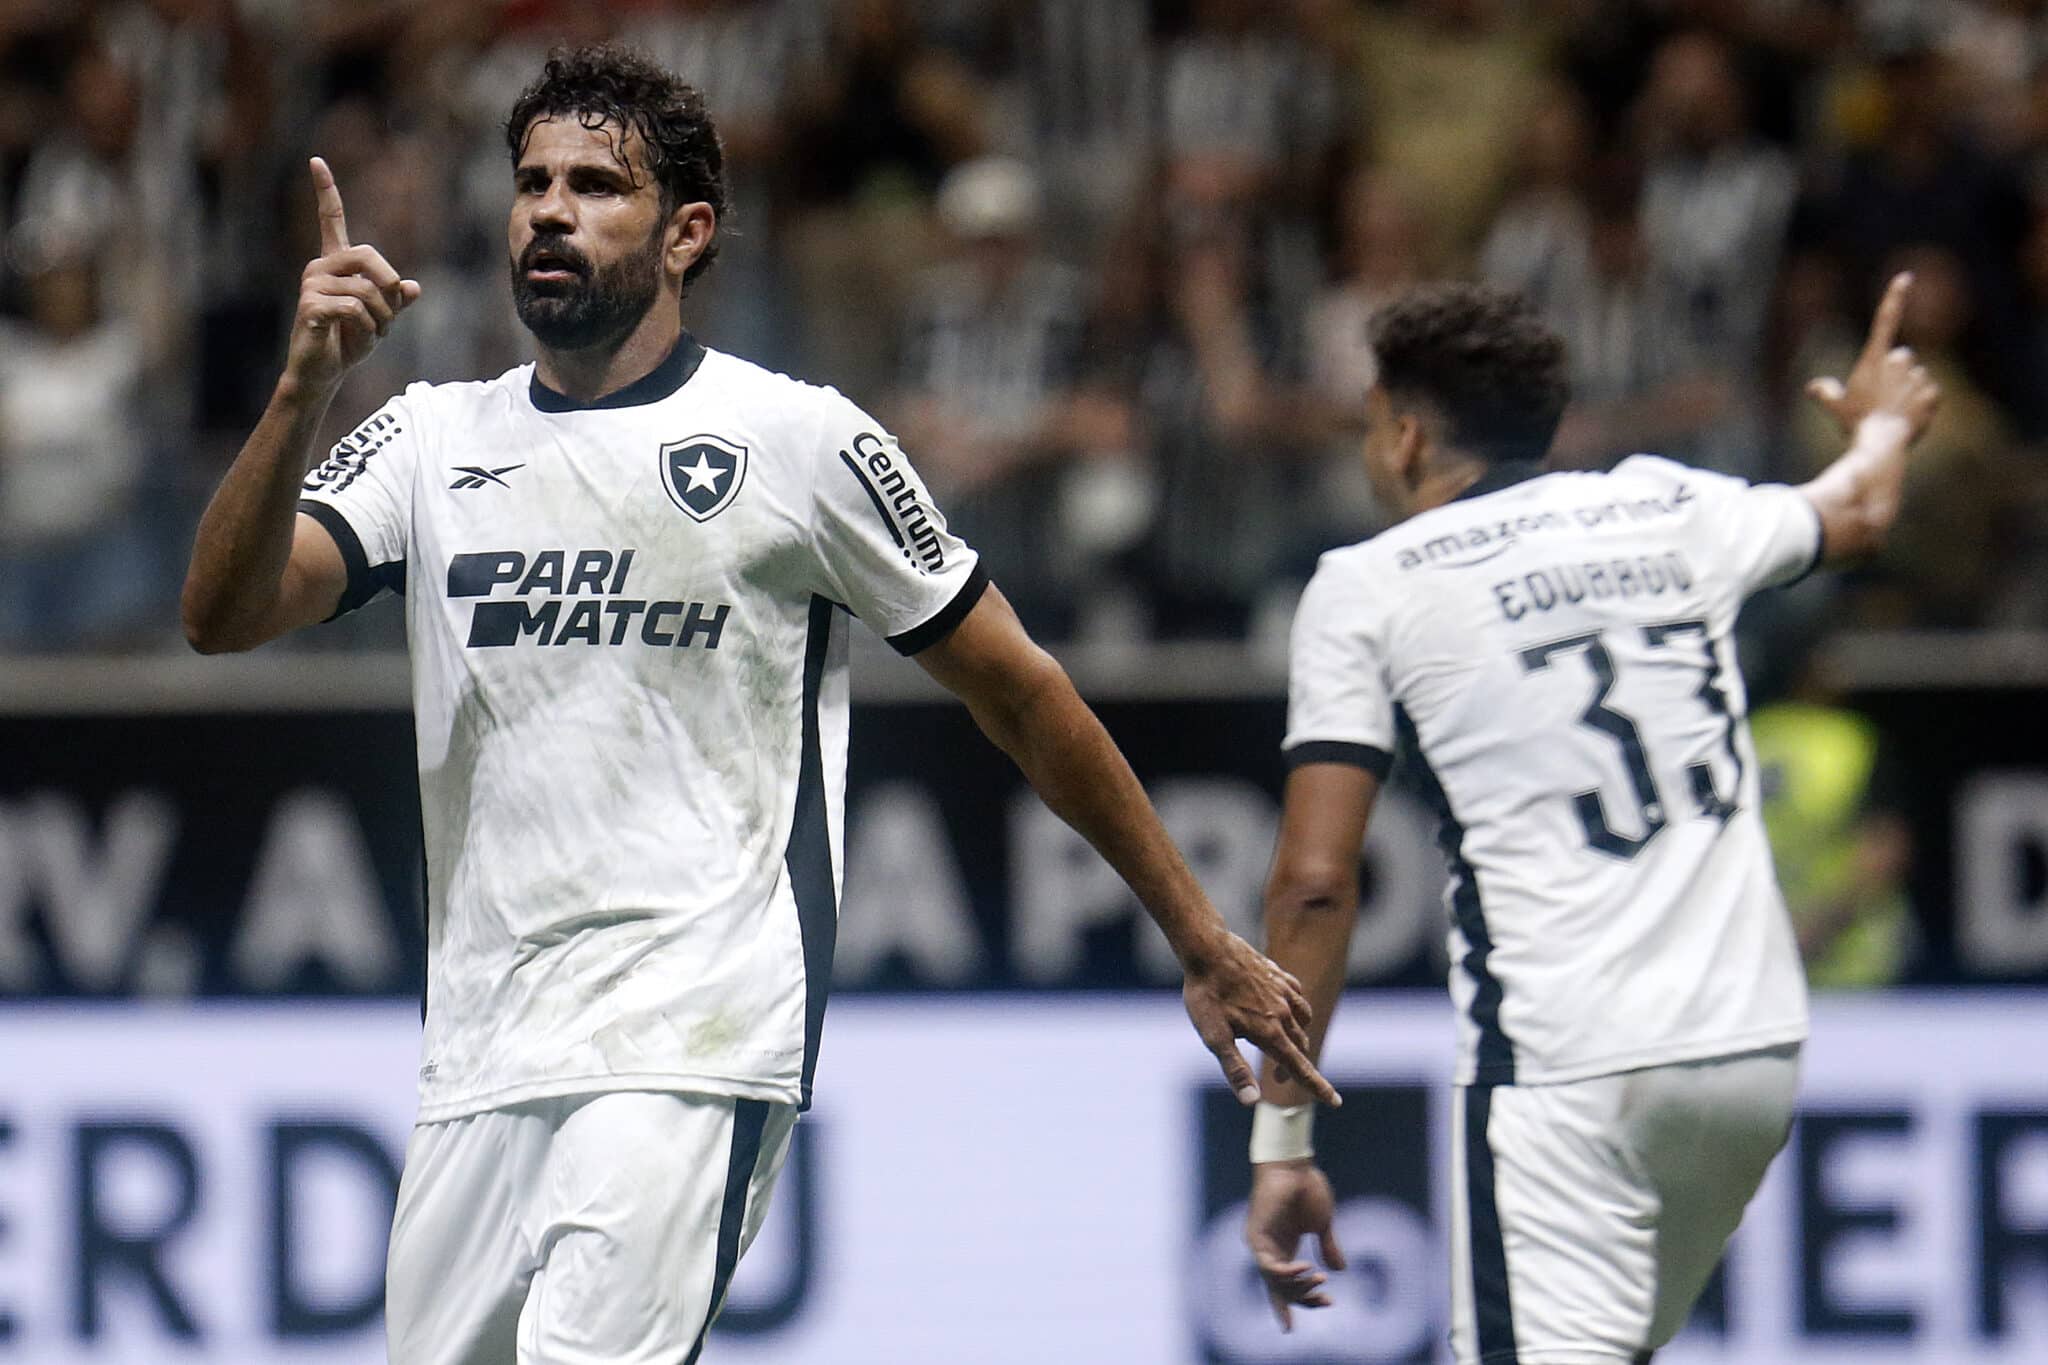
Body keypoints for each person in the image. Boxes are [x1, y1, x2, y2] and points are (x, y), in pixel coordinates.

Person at [181, 44, 1334, 1365]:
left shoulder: (799, 440)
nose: (549, 211)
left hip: (691, 1035)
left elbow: (1021, 690)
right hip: (479, 1057)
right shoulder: (431, 439)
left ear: (686, 233)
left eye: (596, 186)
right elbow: (223, 613)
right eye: (532, 183)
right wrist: (302, 389)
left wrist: (1197, 934)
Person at [1241, 276, 1936, 1362]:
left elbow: (1316, 884)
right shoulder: (1667, 504)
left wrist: (1281, 1136)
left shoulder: (1367, 586)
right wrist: (1884, 424)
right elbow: (1858, 510)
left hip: (1569, 1067)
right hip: (1750, 1053)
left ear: (1404, 432)